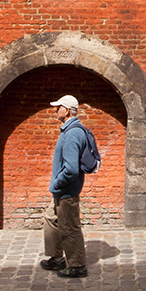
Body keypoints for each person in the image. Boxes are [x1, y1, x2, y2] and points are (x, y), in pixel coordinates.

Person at [40, 94, 88, 279]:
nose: (55, 110)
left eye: (58, 107)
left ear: (66, 110)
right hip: (61, 190)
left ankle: (77, 265)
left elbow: (71, 169)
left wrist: (56, 183)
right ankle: (57, 257)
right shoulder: (69, 130)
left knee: (69, 227)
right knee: (51, 220)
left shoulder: (72, 133)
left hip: (67, 190)